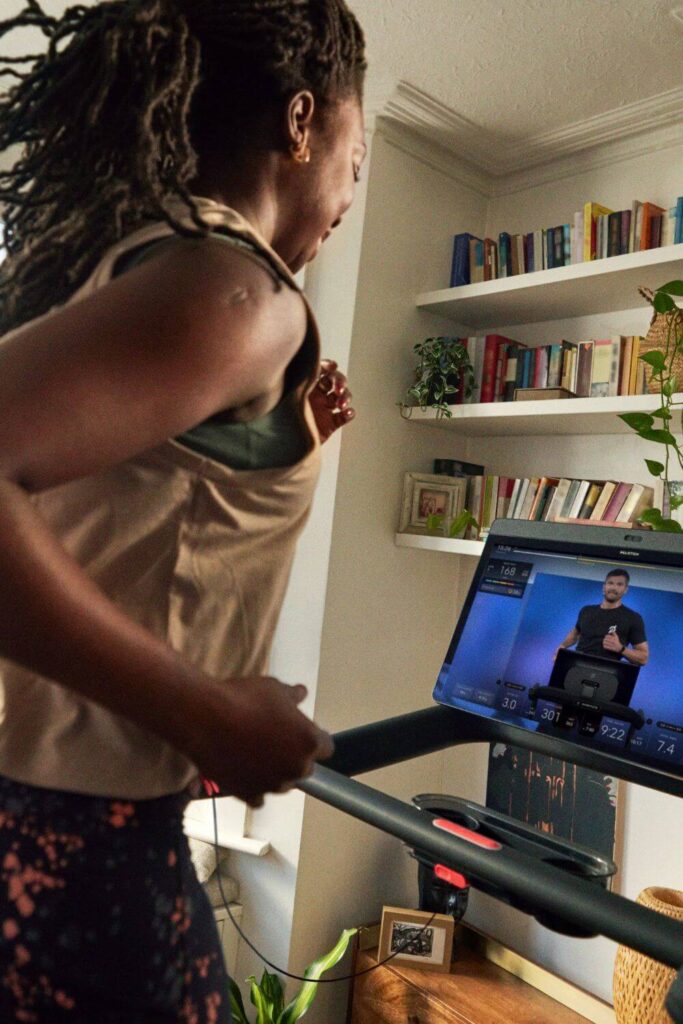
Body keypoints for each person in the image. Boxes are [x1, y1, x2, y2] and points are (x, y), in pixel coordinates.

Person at [0, 1, 367, 1020]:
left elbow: (141, 509)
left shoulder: (133, 261)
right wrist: (206, 715)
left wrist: (292, 442)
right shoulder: (241, 293)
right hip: (78, 847)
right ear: (302, 124)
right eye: (357, 150)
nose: (349, 189)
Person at [556, 569, 649, 666]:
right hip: (576, 667)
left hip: (605, 673)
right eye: (610, 583)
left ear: (626, 589)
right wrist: (562, 646)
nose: (613, 587)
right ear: (604, 587)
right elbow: (575, 634)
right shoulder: (586, 610)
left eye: (619, 584)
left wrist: (621, 649)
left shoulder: (632, 618)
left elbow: (643, 658)